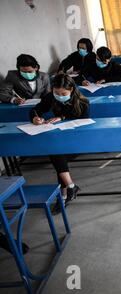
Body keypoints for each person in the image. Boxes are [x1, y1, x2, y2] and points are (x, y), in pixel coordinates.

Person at [29, 74, 89, 212]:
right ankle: (70, 188)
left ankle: (64, 195)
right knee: (57, 152)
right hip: (60, 140)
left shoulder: (83, 102)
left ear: (72, 90)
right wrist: (35, 118)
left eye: (63, 93)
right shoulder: (50, 97)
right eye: (56, 92)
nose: (59, 95)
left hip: (78, 141)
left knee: (56, 152)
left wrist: (61, 117)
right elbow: (35, 110)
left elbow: (84, 122)